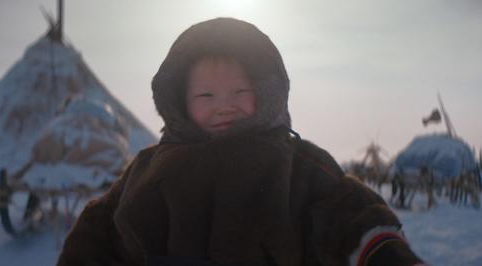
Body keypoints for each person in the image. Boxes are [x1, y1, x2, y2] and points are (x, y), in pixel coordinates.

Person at [57, 18, 424, 266]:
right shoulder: (150, 168)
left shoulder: (297, 164)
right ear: (180, 102)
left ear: (266, 93)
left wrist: (384, 253)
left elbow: (350, 212)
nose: (224, 106)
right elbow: (100, 228)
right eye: (206, 96)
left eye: (240, 91)